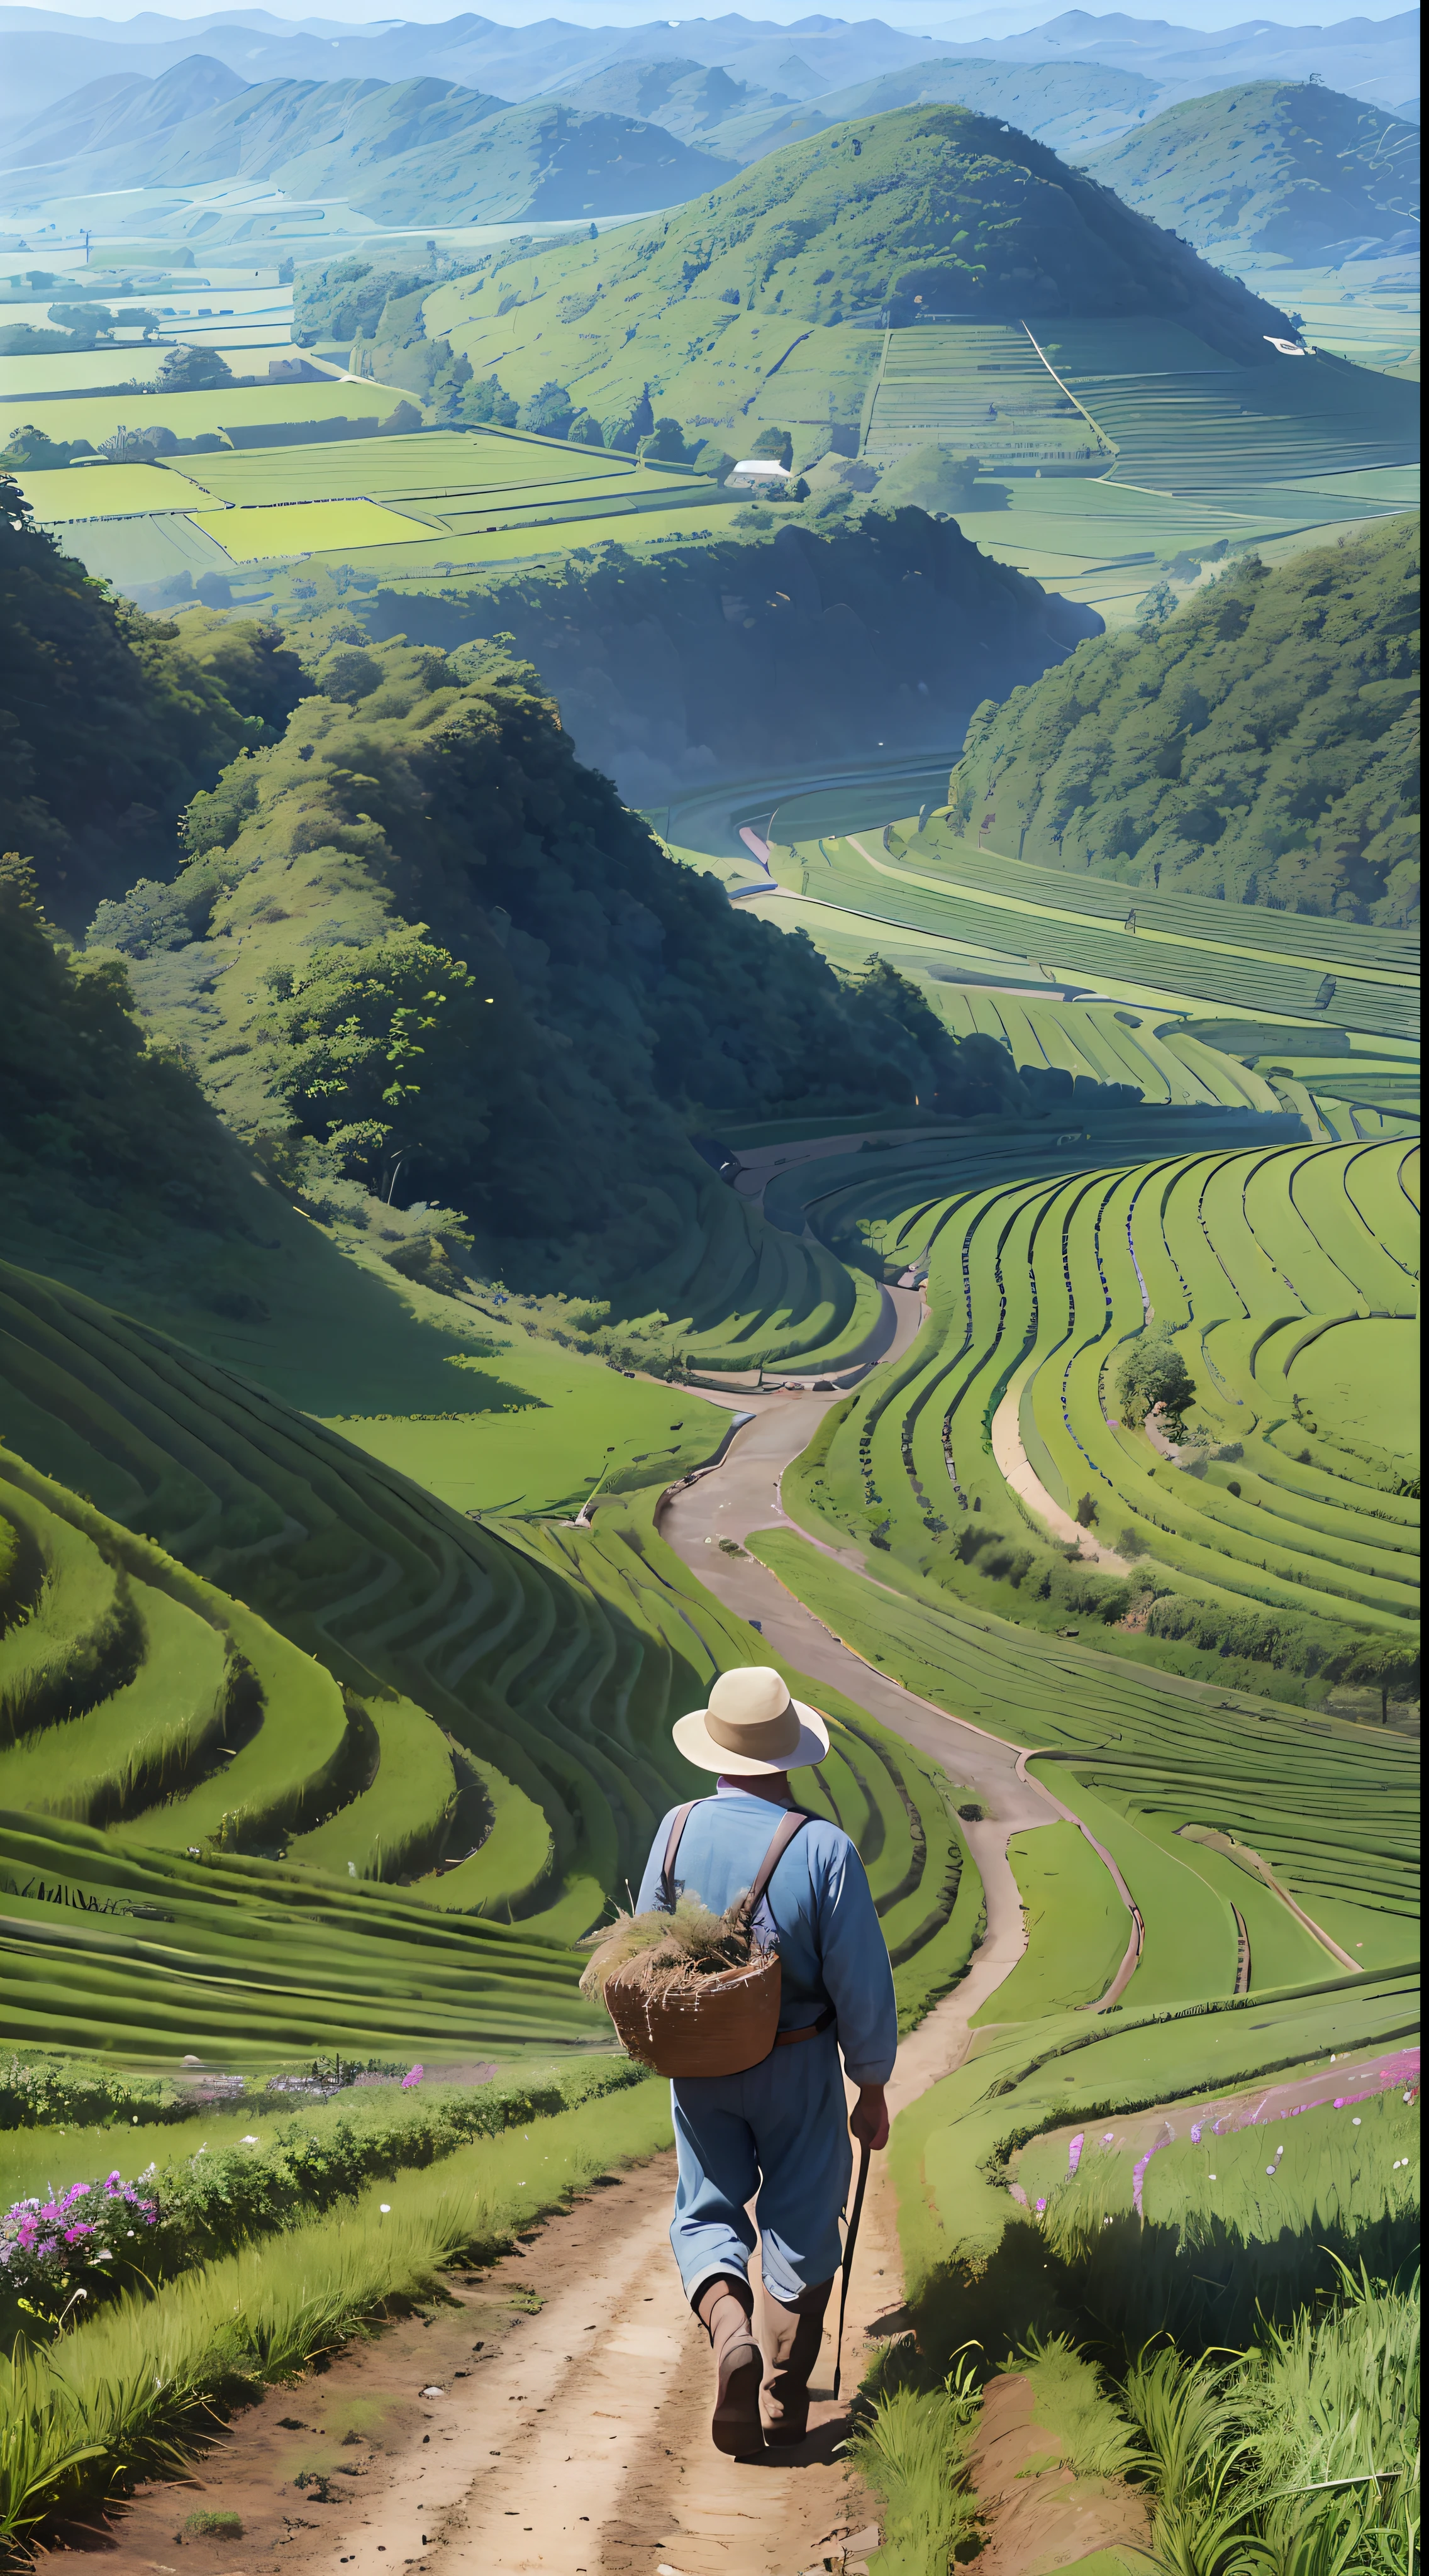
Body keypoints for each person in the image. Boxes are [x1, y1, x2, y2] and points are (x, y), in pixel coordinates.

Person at [635, 1665, 898, 2456]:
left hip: (702, 2068)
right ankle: (784, 2397)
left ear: (715, 1746)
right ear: (788, 1754)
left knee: (705, 2208)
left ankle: (729, 2334)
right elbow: (860, 1979)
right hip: (796, 2062)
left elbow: (643, 1949)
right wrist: (872, 2083)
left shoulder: (675, 1830)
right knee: (801, 2221)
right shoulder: (823, 1849)